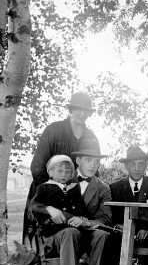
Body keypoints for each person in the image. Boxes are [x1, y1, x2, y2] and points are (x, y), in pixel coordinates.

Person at [30, 154, 110, 265]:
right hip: (53, 235)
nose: (64, 175)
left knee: (99, 234)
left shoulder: (74, 189)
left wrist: (81, 219)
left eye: (68, 172)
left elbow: (82, 210)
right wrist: (48, 209)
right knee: (70, 232)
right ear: (50, 172)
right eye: (59, 172)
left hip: (75, 234)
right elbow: (33, 207)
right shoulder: (44, 187)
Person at [23, 92, 98, 249]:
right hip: (47, 196)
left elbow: (94, 169)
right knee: (41, 250)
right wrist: (52, 201)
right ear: (70, 110)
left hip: (77, 198)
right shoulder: (54, 130)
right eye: (78, 109)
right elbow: (37, 167)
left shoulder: (91, 137)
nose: (81, 114)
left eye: (85, 111)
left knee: (81, 240)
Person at [72, 138, 114, 265]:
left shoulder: (103, 188)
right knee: (70, 233)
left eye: (96, 162)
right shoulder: (63, 180)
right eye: (88, 160)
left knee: (102, 235)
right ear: (78, 160)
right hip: (66, 232)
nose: (93, 165)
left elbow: (106, 218)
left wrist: (86, 222)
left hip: (89, 233)